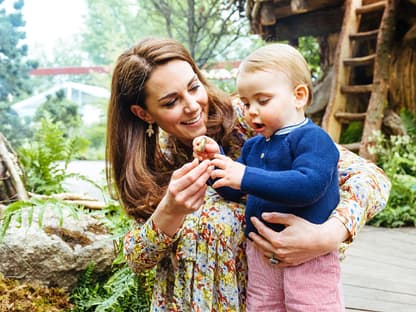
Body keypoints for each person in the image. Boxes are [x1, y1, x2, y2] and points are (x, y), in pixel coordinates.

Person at [105, 37, 391, 311]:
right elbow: (136, 258)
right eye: (171, 102)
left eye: (194, 87)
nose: (192, 106)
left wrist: (329, 235)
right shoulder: (149, 165)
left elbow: (371, 177)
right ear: (144, 114)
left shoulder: (253, 118)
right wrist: (169, 211)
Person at [193, 43, 343, 311]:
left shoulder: (314, 139)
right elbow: (232, 189)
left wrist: (246, 176)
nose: (251, 111)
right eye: (246, 102)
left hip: (308, 256)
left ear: (298, 96)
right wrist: (215, 163)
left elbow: (308, 186)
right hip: (260, 253)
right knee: (262, 306)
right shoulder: (253, 146)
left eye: (263, 101)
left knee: (311, 306)